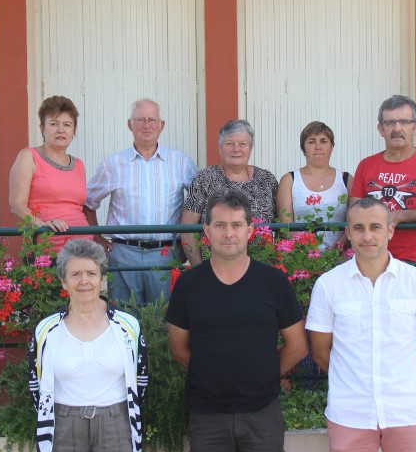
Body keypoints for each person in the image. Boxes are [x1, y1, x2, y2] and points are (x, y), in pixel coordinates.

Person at [166, 189, 308, 452]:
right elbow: (178, 347)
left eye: (236, 224)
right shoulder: (189, 285)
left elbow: (297, 345)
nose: (228, 232)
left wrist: (263, 375)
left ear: (250, 229)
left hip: (261, 413)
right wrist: (212, 372)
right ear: (206, 231)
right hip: (207, 414)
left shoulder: (273, 282)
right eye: (219, 225)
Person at [306, 198, 416, 452]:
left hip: (406, 412)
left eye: (375, 227)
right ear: (348, 233)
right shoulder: (328, 286)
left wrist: (404, 380)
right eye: (359, 228)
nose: (367, 235)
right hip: (350, 414)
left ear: (390, 231)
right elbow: (320, 353)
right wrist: (354, 382)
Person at [29, 238, 148, 452]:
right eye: (76, 274)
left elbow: (141, 380)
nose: (85, 281)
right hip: (64, 425)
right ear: (63, 282)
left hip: (116, 423)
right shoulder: (46, 330)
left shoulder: (127, 326)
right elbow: (35, 384)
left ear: (102, 280)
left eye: (92, 273)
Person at [84, 98, 197, 305]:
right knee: (125, 317)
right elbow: (88, 203)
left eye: (152, 120)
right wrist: (97, 237)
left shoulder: (181, 162)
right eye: (141, 120)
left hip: (167, 253)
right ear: (130, 125)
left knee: (166, 319)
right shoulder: (113, 164)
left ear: (161, 126)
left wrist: (187, 242)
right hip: (124, 254)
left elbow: (200, 202)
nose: (147, 125)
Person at [348, 95, 416, 263]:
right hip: (368, 260)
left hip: (410, 261)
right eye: (390, 123)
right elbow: (354, 210)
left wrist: (399, 215)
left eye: (404, 122)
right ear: (381, 129)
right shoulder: (366, 165)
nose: (397, 128)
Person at [180, 120, 278, 267]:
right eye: (229, 144)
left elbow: (282, 225)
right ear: (220, 148)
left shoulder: (267, 179)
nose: (236, 149)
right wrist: (199, 269)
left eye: (242, 144)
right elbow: (187, 229)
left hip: (262, 268)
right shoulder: (204, 179)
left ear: (250, 148)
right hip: (215, 270)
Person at [9, 95, 89, 251]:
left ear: (73, 131)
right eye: (54, 124)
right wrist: (41, 224)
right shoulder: (29, 156)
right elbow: (16, 204)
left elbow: (81, 207)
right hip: (47, 248)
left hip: (83, 247)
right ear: (42, 128)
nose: (61, 130)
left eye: (67, 124)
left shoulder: (79, 164)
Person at [276, 121, 352, 250]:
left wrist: (334, 251)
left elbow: (353, 223)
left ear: (332, 146)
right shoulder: (289, 180)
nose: (318, 147)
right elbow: (285, 227)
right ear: (303, 148)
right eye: (311, 142)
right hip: (300, 258)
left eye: (323, 141)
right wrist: (306, 252)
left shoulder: (346, 180)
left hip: (339, 259)